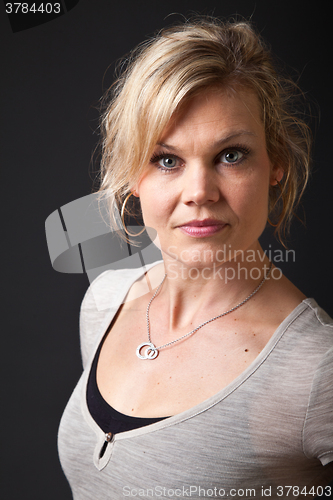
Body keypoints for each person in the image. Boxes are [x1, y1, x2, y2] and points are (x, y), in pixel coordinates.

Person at [57, 17, 333, 499]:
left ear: (276, 165)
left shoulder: (316, 369)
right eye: (167, 160)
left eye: (231, 155)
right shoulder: (106, 302)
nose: (200, 193)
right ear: (132, 177)